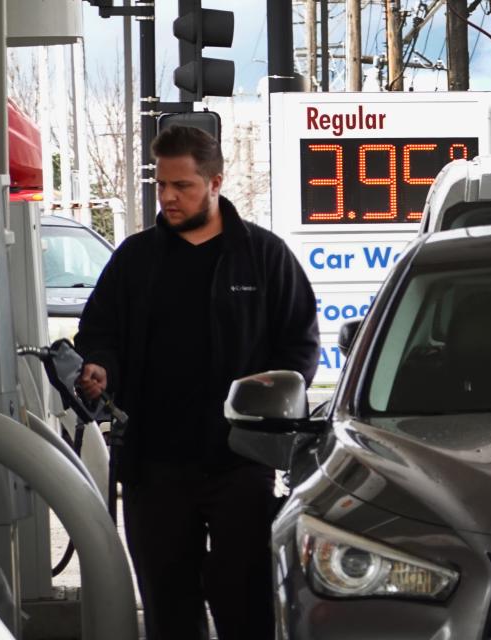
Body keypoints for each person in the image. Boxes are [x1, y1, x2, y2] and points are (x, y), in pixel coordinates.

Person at [75, 125, 319, 640]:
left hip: (242, 467)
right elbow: (100, 332)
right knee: (169, 612)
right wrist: (99, 366)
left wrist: (274, 416)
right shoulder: (135, 261)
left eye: (181, 185)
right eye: (161, 184)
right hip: (154, 468)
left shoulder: (265, 257)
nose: (167, 197)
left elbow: (299, 346)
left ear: (215, 182)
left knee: (245, 607)